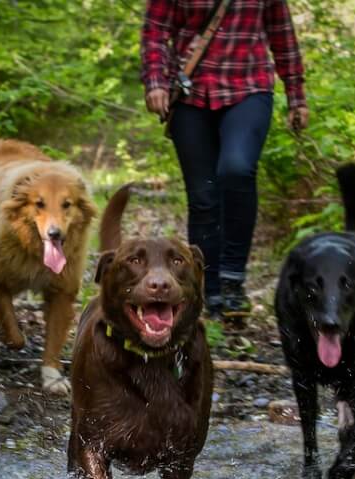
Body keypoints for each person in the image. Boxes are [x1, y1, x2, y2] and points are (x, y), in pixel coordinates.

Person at [141, 0, 309, 321]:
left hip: (249, 86)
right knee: (203, 197)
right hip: (190, 92)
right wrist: (156, 81)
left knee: (237, 168)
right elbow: (156, 33)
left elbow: (282, 34)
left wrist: (296, 96)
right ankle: (207, 289)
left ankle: (233, 279)